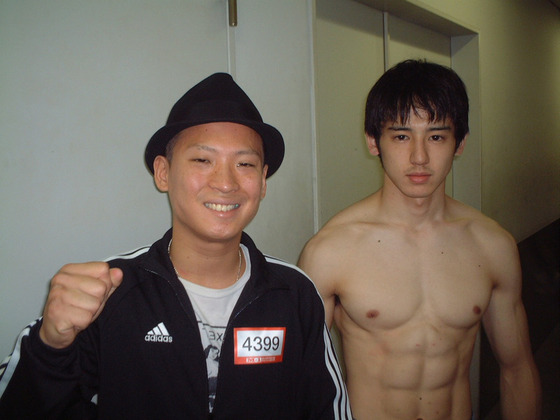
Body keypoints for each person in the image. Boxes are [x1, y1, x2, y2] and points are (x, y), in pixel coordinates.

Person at [0, 73, 352, 419]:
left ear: (262, 181)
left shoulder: (293, 293)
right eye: (202, 160)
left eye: (245, 164)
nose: (225, 182)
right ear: (163, 172)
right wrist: (50, 344)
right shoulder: (110, 291)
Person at [298, 60, 541, 420]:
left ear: (460, 143)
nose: (419, 157)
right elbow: (298, 381)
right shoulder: (331, 251)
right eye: (401, 136)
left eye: (436, 137)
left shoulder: (492, 246)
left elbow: (517, 369)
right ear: (373, 142)